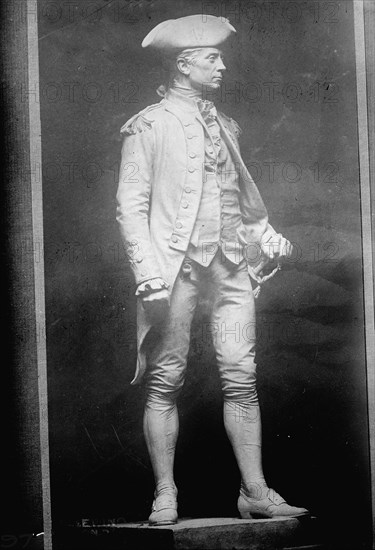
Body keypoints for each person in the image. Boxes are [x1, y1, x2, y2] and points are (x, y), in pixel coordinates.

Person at [116, 14, 309, 525]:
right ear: (184, 64)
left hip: (230, 269)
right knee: (166, 380)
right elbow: (129, 206)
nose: (222, 66)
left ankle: (255, 492)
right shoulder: (149, 125)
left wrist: (264, 235)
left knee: (242, 377)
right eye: (212, 58)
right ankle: (164, 493)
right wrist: (147, 272)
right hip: (175, 271)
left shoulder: (226, 126)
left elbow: (241, 204)